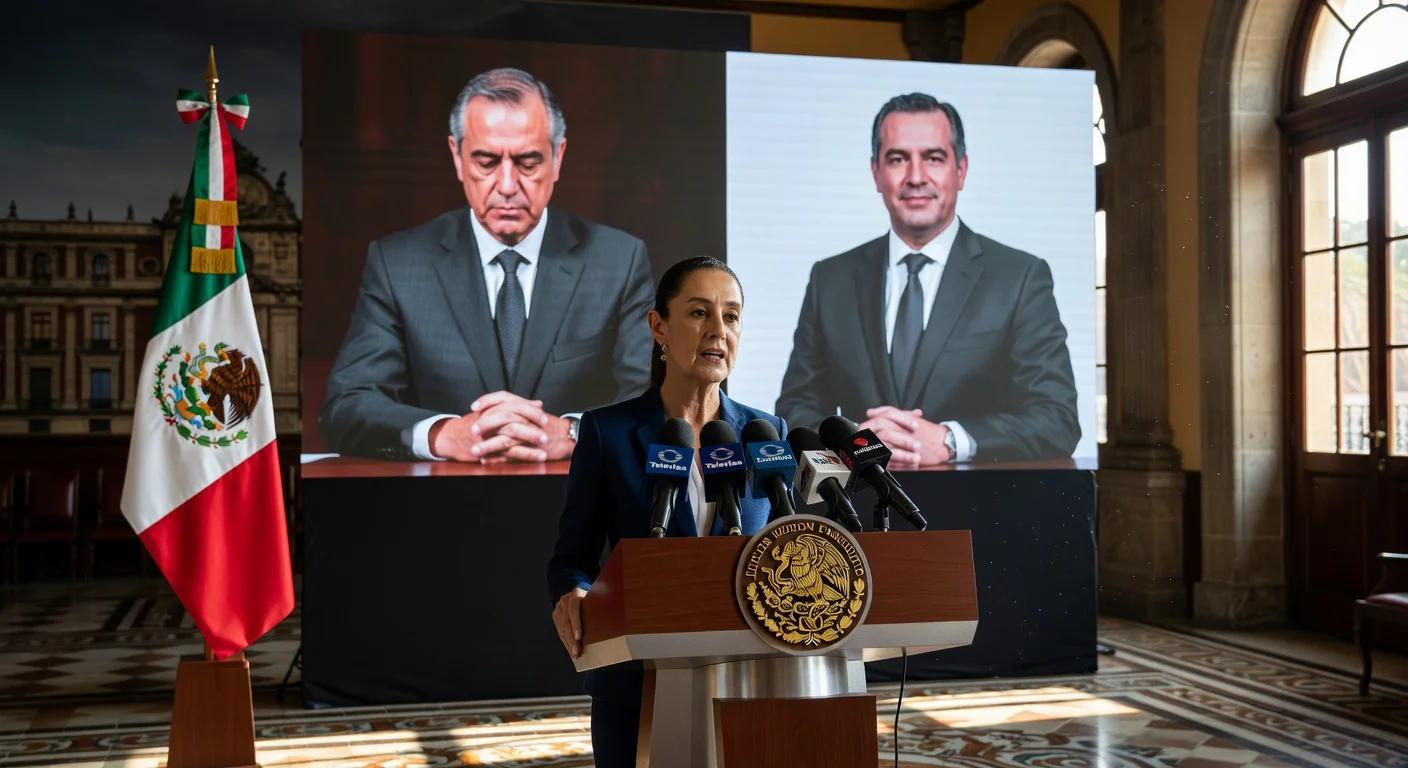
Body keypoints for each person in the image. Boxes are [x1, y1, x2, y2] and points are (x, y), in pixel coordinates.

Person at [319, 67, 654, 462]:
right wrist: (443, 434)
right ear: (457, 158)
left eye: (528, 162)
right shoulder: (398, 265)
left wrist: (578, 432)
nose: (508, 185)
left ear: (558, 157)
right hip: (441, 510)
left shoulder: (618, 260)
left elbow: (658, 400)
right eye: (486, 162)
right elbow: (348, 405)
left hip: (577, 507)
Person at [546, 257, 786, 767]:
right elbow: (573, 555)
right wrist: (573, 591)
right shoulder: (608, 433)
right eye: (699, 313)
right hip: (636, 685)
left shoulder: (765, 433)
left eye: (733, 317)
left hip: (749, 679)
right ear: (659, 326)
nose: (719, 331)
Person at [775, 93, 1080, 465]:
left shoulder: (1019, 277)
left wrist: (951, 440)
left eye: (933, 158)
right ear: (876, 173)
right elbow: (795, 408)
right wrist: (858, 441)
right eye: (898, 159)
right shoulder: (830, 279)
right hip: (859, 511)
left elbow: (1057, 420)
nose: (916, 177)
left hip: (980, 512)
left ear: (961, 170)